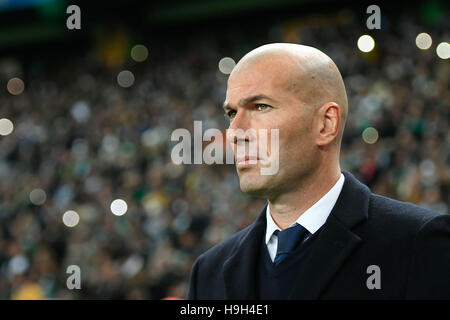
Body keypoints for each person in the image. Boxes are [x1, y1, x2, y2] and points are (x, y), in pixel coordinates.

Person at [187, 43, 450, 299]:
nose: (234, 132)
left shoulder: (418, 243)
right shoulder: (209, 272)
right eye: (232, 113)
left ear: (326, 124)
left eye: (260, 106)